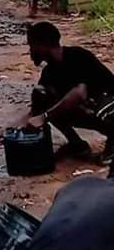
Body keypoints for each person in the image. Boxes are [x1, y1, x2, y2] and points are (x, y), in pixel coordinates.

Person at [23, 22, 114, 162]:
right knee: (41, 96)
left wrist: (45, 116)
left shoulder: (77, 56)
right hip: (93, 109)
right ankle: (77, 145)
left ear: (45, 44)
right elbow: (34, 113)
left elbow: (79, 94)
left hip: (107, 106)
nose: (31, 51)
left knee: (98, 104)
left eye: (32, 45)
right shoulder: (49, 72)